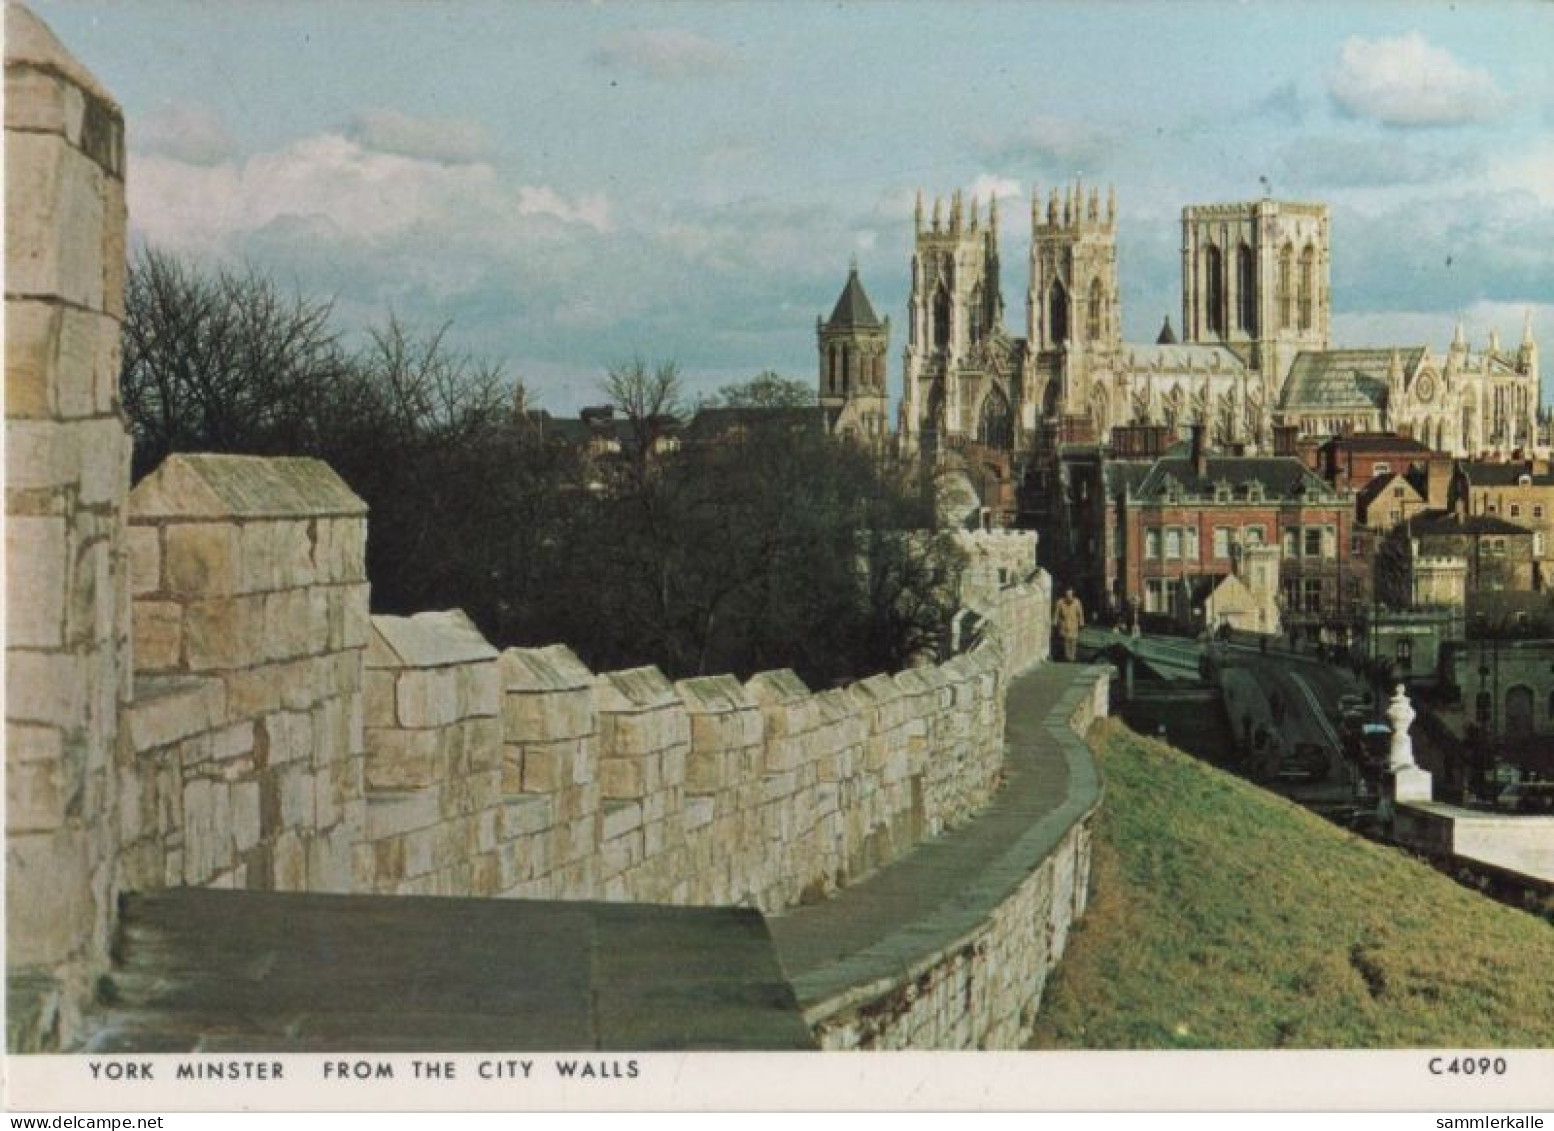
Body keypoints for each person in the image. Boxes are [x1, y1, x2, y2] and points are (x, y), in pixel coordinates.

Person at [1054, 587, 1085, 662]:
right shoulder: (1060, 602)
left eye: (1070, 594)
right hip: (1064, 624)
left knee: (1073, 641)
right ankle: (1067, 657)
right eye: (1067, 594)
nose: (1069, 596)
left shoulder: (1077, 602)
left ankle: (1072, 657)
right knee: (1066, 641)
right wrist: (1055, 621)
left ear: (1073, 595)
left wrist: (1081, 622)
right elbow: (1056, 613)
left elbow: (1080, 613)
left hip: (1074, 624)